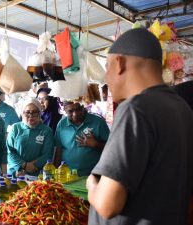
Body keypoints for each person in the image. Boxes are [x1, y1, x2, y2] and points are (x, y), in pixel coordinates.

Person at [86, 28, 193, 225]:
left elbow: (107, 204)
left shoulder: (135, 109)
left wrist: (91, 185)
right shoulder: (182, 108)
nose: (106, 79)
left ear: (119, 63)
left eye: (106, 67)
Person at [54, 101, 109, 175]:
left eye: (78, 109)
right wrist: (56, 172)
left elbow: (111, 148)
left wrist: (96, 144)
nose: (75, 114)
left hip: (92, 175)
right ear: (65, 110)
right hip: (67, 175)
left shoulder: (98, 122)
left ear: (83, 107)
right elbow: (59, 149)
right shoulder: (61, 124)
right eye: (70, 111)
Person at [7, 98, 54, 177]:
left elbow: (47, 154)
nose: (31, 115)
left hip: (37, 174)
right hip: (16, 172)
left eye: (34, 112)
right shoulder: (15, 128)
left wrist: (34, 166)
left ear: (40, 113)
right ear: (22, 113)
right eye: (27, 112)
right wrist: (22, 165)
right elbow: (9, 151)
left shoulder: (46, 131)